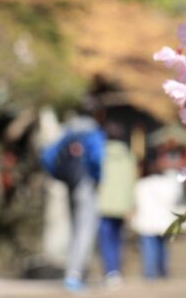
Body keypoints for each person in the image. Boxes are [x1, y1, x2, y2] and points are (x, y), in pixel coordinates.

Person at [54, 100, 106, 293]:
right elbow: (97, 158)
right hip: (85, 184)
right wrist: (98, 178)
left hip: (69, 182)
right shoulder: (93, 131)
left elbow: (49, 154)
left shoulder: (68, 129)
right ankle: (74, 275)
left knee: (75, 227)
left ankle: (72, 272)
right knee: (86, 228)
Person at [96, 122, 137, 287]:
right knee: (118, 239)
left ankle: (110, 271)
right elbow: (131, 182)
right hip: (122, 205)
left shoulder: (100, 154)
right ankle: (116, 271)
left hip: (103, 204)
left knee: (105, 239)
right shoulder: (128, 156)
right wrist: (131, 205)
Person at [132, 151, 184, 279]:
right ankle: (162, 272)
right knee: (162, 249)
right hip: (163, 222)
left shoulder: (140, 184)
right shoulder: (167, 183)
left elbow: (135, 202)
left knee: (149, 249)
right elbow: (175, 198)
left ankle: (150, 273)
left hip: (147, 222)